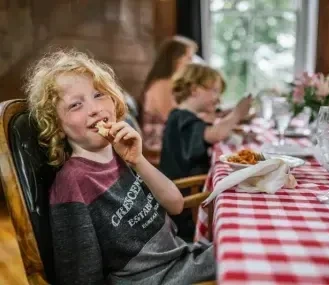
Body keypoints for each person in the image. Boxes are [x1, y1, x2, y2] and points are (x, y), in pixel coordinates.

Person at [25, 50, 215, 285]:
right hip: (154, 278)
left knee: (241, 245)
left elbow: (175, 205)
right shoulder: (72, 183)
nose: (94, 109)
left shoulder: (122, 152)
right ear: (58, 126)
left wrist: (139, 160)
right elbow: (79, 274)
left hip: (180, 255)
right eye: (75, 105)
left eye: (99, 94)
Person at [159, 63, 252, 241]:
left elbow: (209, 127)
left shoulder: (181, 116)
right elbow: (214, 134)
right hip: (185, 202)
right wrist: (237, 113)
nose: (218, 98)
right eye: (215, 91)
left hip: (185, 191)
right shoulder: (182, 119)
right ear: (194, 90)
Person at [140, 36, 198, 153]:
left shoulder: (170, 82)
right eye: (189, 58)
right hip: (160, 142)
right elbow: (171, 118)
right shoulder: (163, 84)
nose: (192, 63)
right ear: (175, 59)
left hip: (169, 137)